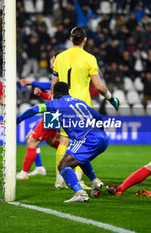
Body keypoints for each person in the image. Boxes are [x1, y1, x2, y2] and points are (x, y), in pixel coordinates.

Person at [51, 26, 119, 189]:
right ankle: (78, 179)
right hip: (82, 107)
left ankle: (60, 181)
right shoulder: (89, 58)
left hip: (64, 105)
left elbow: (54, 84)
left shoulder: (60, 57)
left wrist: (56, 104)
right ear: (85, 40)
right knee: (84, 141)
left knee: (64, 140)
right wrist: (112, 98)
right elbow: (100, 87)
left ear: (70, 39)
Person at [17, 82, 108, 202]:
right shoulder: (79, 102)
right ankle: (95, 182)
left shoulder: (56, 103)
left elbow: (35, 109)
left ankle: (80, 193)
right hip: (102, 137)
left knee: (63, 165)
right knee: (79, 159)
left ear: (57, 93)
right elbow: (98, 116)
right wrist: (99, 132)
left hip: (87, 139)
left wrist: (17, 120)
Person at [16, 79, 60, 180]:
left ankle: (24, 173)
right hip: (51, 113)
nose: (51, 64)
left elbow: (49, 85)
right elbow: (52, 95)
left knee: (32, 140)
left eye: (53, 62)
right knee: (50, 141)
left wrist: (31, 83)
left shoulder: (59, 73)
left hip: (52, 114)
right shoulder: (58, 78)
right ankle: (39, 167)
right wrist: (42, 94)